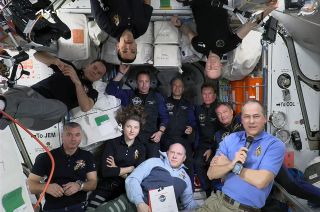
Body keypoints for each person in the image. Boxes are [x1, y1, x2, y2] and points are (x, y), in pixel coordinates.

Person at [213, 102, 320, 207]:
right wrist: (225, 169)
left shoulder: (243, 120)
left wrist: (230, 166)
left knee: (291, 184)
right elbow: (222, 157)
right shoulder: (220, 134)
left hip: (266, 159)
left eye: (225, 112)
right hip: (247, 171)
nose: (223, 115)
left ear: (232, 112)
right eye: (219, 114)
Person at [198, 100, 285, 211]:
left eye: (256, 116)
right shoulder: (230, 139)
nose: (251, 121)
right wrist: (231, 164)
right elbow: (211, 174)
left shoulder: (274, 145)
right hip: (216, 201)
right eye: (247, 116)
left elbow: (261, 181)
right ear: (242, 120)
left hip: (241, 209)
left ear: (264, 118)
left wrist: (232, 166)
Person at [0, 51, 108, 130]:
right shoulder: (69, 67)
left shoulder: (92, 92)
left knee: (61, 108)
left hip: (43, 117)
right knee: (21, 89)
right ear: (88, 65)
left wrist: (77, 82)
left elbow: (86, 107)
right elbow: (37, 55)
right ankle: (3, 108)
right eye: (95, 68)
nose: (95, 72)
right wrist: (55, 61)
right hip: (29, 100)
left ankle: (5, 105)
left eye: (99, 73)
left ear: (99, 78)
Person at [171, 1, 278, 79]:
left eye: (209, 68)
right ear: (221, 66)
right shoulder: (229, 45)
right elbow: (251, 24)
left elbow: (188, 33)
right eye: (215, 68)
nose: (212, 65)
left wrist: (179, 25)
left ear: (206, 67)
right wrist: (269, 9)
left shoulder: (198, 47)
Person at [86, 105, 147, 210]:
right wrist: (130, 169)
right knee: (91, 209)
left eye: (136, 127)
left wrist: (116, 168)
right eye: (129, 126)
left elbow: (137, 177)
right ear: (123, 126)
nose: (132, 130)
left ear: (140, 129)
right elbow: (106, 171)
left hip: (126, 189)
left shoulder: (141, 148)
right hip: (107, 186)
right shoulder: (112, 143)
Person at [27, 122, 97, 212]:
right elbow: (31, 186)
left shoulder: (87, 156)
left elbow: (93, 183)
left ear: (81, 136)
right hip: (54, 208)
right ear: (62, 136)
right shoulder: (46, 157)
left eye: (77, 135)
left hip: (78, 206)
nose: (73, 139)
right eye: (69, 134)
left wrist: (80, 185)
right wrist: (46, 187)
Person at [106, 65, 169, 158]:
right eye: (141, 81)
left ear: (150, 82)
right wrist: (121, 73)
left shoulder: (157, 97)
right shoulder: (129, 95)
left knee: (153, 164)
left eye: (146, 81)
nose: (144, 85)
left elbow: (165, 117)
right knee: (135, 164)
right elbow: (110, 90)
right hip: (134, 138)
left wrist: (160, 132)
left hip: (152, 138)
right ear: (136, 83)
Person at [126, 143, 199, 211]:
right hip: (138, 206)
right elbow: (133, 178)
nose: (174, 156)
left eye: (179, 154)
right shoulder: (153, 162)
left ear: (184, 158)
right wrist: (139, 202)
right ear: (167, 153)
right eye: (172, 152)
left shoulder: (186, 178)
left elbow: (188, 203)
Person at [161, 76, 196, 181]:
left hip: (183, 140)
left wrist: (191, 128)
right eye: (175, 85)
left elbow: (193, 122)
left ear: (183, 88)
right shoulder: (164, 102)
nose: (177, 88)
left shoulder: (188, 104)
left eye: (180, 86)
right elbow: (160, 119)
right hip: (167, 140)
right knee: (165, 167)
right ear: (171, 88)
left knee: (189, 165)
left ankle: (189, 191)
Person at [194, 83, 220, 197]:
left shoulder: (220, 109)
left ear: (214, 95)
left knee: (212, 164)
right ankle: (208, 190)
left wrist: (212, 148)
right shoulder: (198, 109)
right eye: (204, 94)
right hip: (203, 144)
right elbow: (196, 129)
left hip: (218, 144)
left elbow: (222, 132)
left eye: (210, 93)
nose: (207, 96)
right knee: (197, 163)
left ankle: (217, 190)